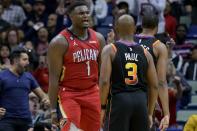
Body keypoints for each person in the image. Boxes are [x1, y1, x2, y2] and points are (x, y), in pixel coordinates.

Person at [47, 1, 105, 131]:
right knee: (70, 129)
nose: (85, 16)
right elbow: (53, 78)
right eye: (80, 13)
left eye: (86, 13)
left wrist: (105, 100)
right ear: (70, 17)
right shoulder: (59, 42)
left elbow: (103, 74)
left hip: (92, 92)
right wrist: (52, 110)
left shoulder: (99, 38)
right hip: (69, 94)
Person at [100, 14, 158, 131]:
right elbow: (155, 86)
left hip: (119, 101)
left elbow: (105, 82)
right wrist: (150, 113)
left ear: (116, 28)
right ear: (135, 29)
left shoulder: (110, 49)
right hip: (141, 101)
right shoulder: (146, 53)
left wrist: (102, 107)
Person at [134, 14, 170, 130]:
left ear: (141, 25)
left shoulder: (126, 42)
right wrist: (166, 113)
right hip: (145, 98)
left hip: (123, 95)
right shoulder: (158, 46)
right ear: (157, 27)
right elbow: (161, 82)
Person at [0, 47, 49, 131]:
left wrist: (46, 100)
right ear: (16, 60)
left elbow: (42, 95)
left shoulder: (29, 76)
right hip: (7, 121)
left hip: (26, 121)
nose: (28, 62)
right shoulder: (2, 76)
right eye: (25, 59)